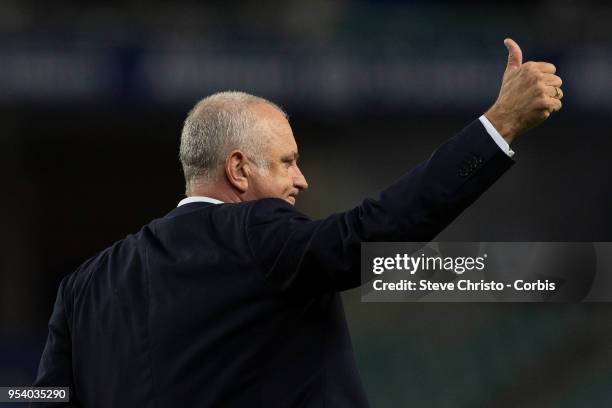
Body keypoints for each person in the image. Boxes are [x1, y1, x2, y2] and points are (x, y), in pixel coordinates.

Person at [33, 39, 563, 407]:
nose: (302, 181)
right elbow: (371, 233)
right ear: (238, 170)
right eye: (287, 161)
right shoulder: (256, 234)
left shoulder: (82, 289)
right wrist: (499, 125)